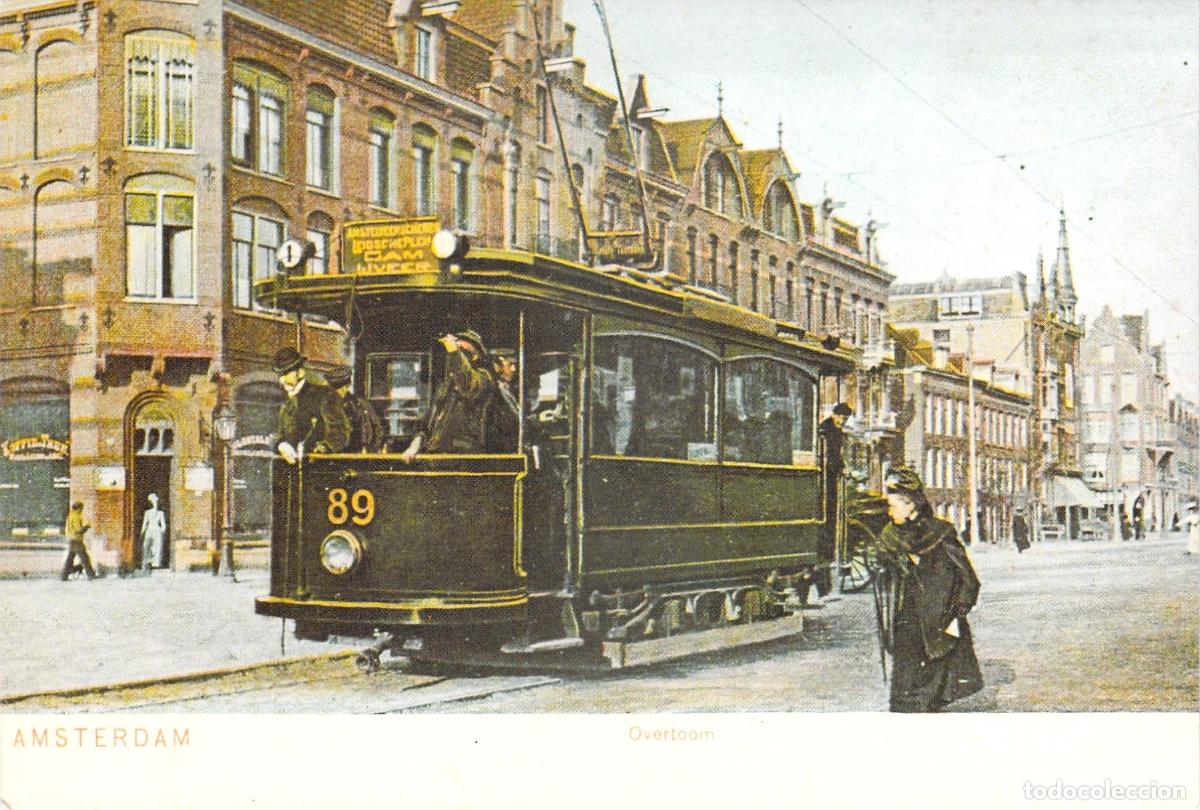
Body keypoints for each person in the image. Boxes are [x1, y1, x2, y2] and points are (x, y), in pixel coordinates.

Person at [876, 466, 983, 712]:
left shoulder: (941, 533)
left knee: (932, 690)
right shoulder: (890, 534)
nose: (889, 511)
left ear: (910, 504)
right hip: (907, 618)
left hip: (938, 620)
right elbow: (881, 565)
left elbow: (968, 577)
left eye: (893, 506)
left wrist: (959, 611)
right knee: (904, 692)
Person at [400, 330, 495, 462]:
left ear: (475, 356)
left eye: (462, 350)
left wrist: (454, 352)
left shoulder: (483, 378)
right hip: (436, 454)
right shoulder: (444, 387)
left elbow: (466, 383)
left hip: (464, 455)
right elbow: (427, 423)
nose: (456, 352)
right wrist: (414, 446)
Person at [272, 347, 350, 464]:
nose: (282, 380)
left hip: (319, 471)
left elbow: (339, 434)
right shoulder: (286, 404)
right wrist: (281, 445)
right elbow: (280, 435)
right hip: (291, 472)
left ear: (300, 372)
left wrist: (321, 450)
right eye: (279, 375)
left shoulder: (325, 395)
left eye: (286, 373)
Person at [816, 402, 853, 596]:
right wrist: (841, 469)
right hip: (826, 478)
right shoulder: (828, 430)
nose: (843, 422)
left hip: (830, 475)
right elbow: (830, 456)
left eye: (845, 420)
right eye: (842, 418)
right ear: (835, 415)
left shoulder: (832, 429)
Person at [325, 366, 384, 453]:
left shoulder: (361, 404)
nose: (340, 392)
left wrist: (370, 450)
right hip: (335, 454)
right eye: (338, 389)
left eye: (342, 387)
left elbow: (378, 429)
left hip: (358, 454)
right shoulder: (327, 405)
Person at [485, 348, 520, 453]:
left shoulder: (509, 390)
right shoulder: (492, 393)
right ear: (497, 366)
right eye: (510, 364)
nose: (514, 369)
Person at [60, 501, 96, 581]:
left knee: (70, 559)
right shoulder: (76, 516)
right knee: (85, 558)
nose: (82, 510)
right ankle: (91, 575)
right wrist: (86, 527)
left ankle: (64, 576)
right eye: (81, 508)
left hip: (72, 539)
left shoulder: (70, 516)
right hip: (77, 540)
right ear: (78, 508)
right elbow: (78, 530)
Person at [139, 493, 166, 573]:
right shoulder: (147, 513)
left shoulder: (161, 513)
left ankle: (155, 563)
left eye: (156, 501)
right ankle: (146, 563)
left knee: (156, 547)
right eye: (153, 501)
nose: (155, 503)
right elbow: (145, 523)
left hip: (155, 530)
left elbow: (163, 525)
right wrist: (142, 532)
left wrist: (162, 531)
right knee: (147, 546)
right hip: (151, 530)